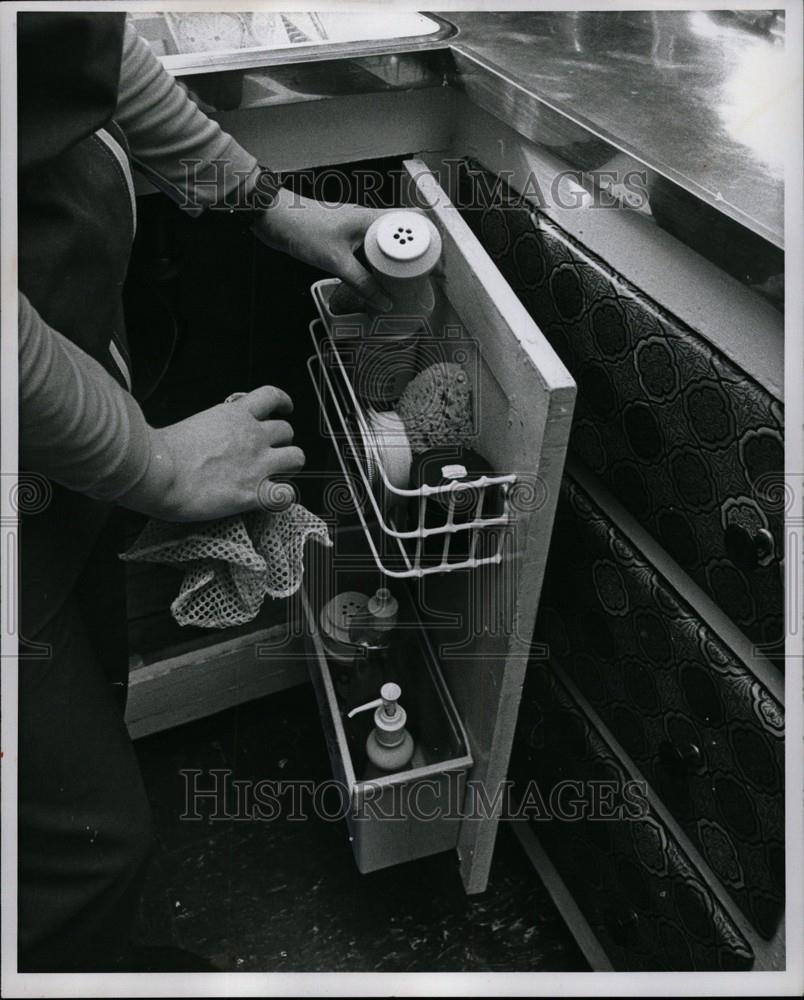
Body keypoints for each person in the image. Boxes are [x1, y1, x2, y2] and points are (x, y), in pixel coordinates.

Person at [16, 11, 390, 972]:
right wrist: (149, 463)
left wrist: (275, 206)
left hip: (47, 465)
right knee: (78, 849)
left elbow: (79, 50)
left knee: (82, 693)